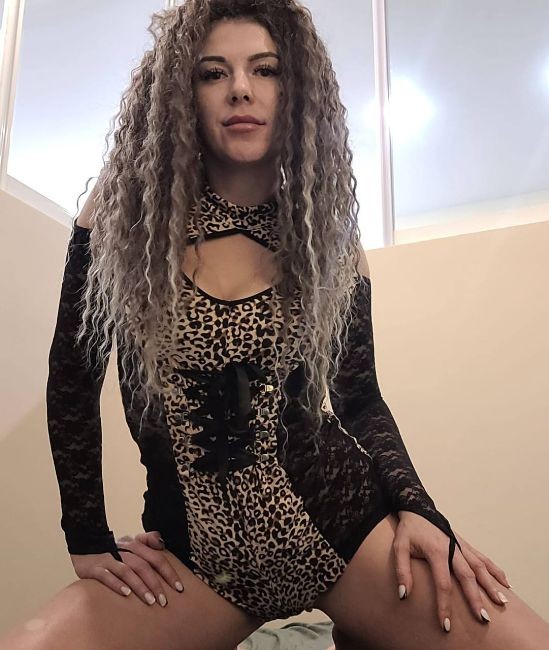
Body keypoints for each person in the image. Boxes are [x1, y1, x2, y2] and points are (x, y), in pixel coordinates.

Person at [2, 1, 548, 648]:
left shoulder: (327, 241)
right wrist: (87, 537)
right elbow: (72, 377)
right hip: (195, 559)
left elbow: (358, 399)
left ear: (297, 92)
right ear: (180, 93)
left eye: (265, 70)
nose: (241, 88)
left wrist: (418, 508)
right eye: (213, 73)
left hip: (344, 528)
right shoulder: (125, 218)